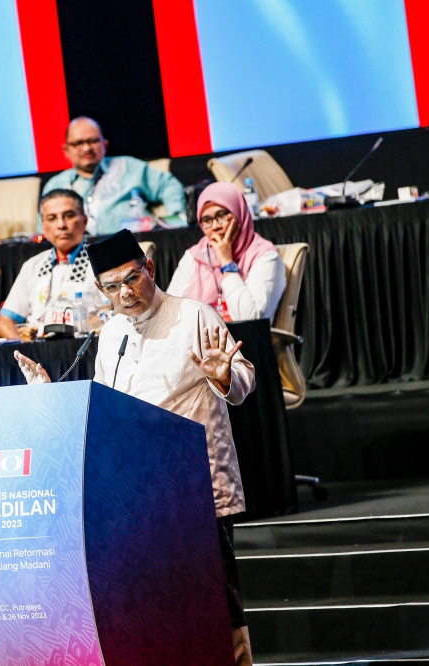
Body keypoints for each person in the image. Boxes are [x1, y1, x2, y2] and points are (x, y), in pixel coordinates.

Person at [14, 229, 256, 665]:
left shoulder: (194, 315)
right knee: (159, 610)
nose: (125, 293)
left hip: (197, 488)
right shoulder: (111, 335)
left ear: (150, 270)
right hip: (138, 496)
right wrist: (52, 397)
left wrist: (223, 375)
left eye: (132, 279)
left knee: (220, 610)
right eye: (111, 287)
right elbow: (104, 410)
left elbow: (243, 385)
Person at [42, 117, 186, 234]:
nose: (86, 148)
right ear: (66, 150)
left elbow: (168, 185)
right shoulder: (56, 185)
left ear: (104, 144)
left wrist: (177, 221)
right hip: (79, 257)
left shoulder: (129, 167)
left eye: (92, 141)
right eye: (78, 143)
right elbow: (43, 230)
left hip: (132, 250)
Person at [167, 181, 286, 322]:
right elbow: (170, 314)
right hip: (198, 341)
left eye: (221, 215)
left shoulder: (265, 256)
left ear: (239, 213)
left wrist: (227, 263)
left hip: (243, 341)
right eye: (207, 220)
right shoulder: (194, 256)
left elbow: (249, 319)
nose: (215, 226)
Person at [0, 189, 102, 338]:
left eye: (69, 216)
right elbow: (4, 322)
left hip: (84, 348)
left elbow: (114, 311)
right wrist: (26, 353)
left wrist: (78, 332)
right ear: (43, 226)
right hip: (37, 351)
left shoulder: (102, 260)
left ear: (84, 220)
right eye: (52, 218)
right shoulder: (32, 266)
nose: (61, 225)